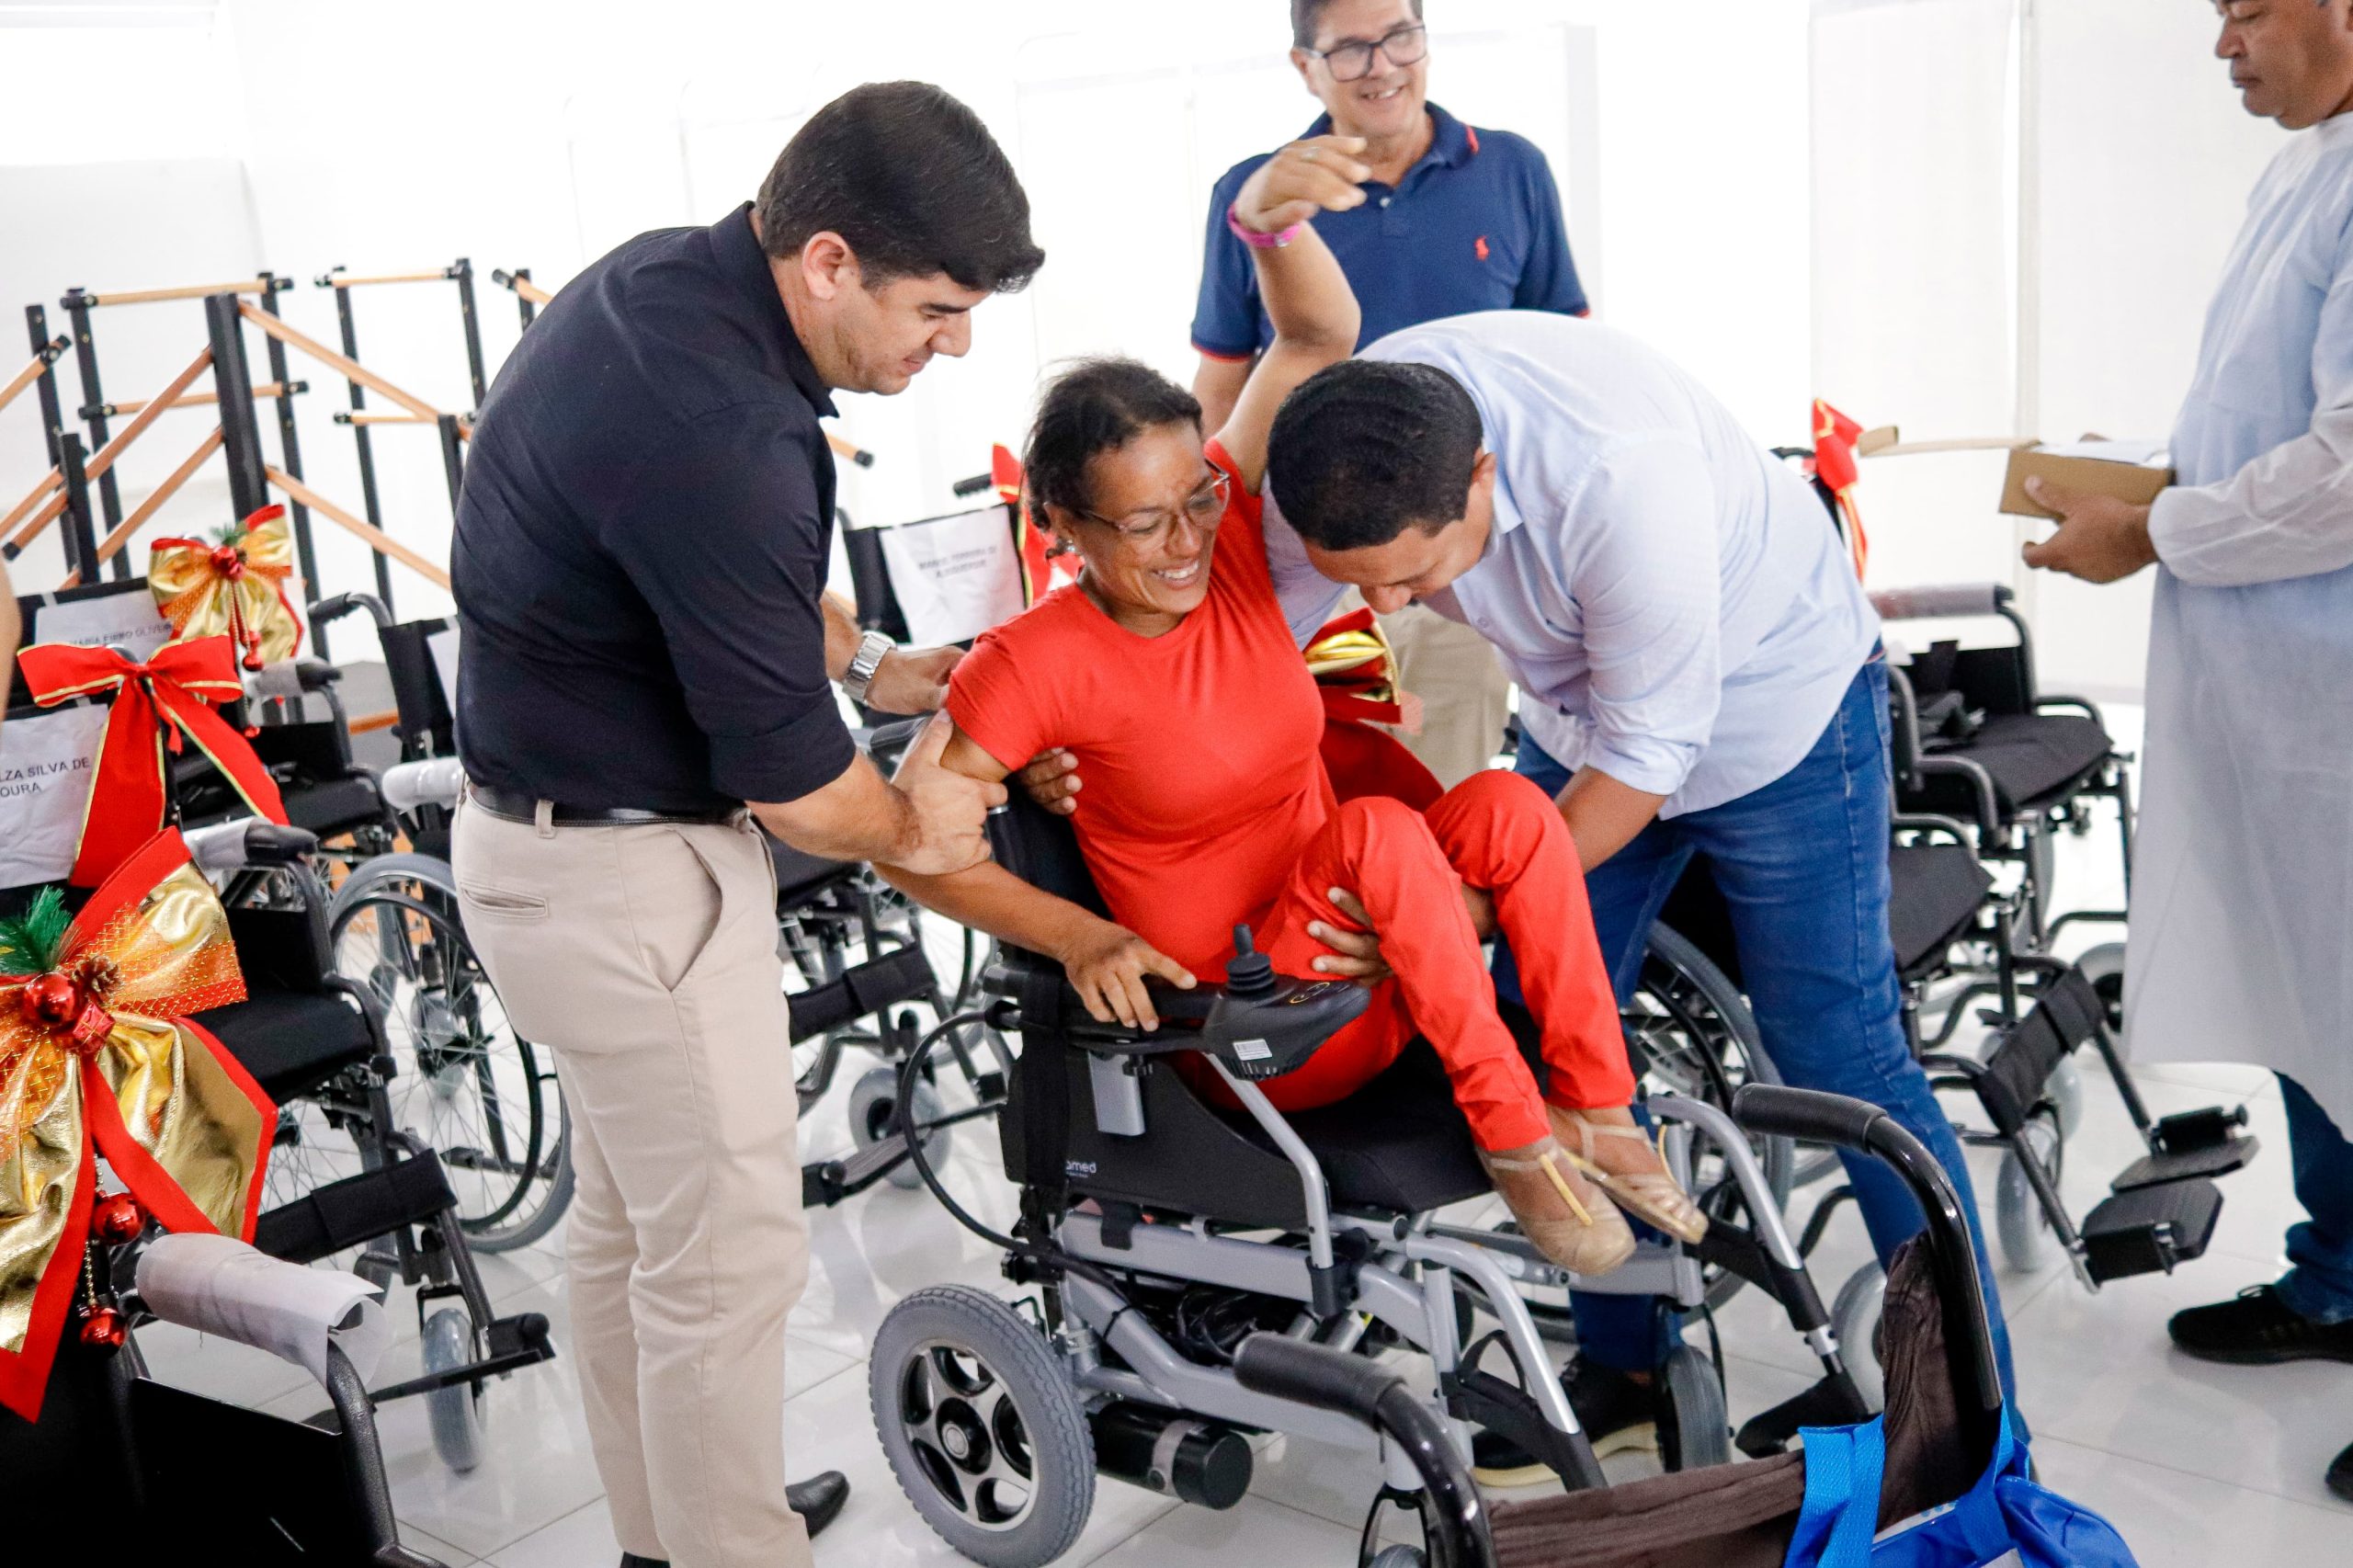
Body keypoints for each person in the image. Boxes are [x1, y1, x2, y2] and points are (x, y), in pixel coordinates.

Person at [881, 133, 1699, 1279]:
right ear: (1060, 524)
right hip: (1252, 1024)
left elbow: (1317, 338)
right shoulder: (1029, 662)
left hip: (1376, 957)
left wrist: (1267, 227)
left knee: (1511, 808)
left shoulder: (1237, 562)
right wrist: (1077, 936)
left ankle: (1598, 1110)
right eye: (1143, 522)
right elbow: (911, 845)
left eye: (1199, 496)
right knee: (1374, 830)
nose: (1188, 542)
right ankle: (1514, 1132)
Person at [1243, 311, 2015, 1456]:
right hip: (1574, 716)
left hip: (1779, 709)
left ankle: (1966, 1410)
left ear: (1482, 477)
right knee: (1560, 1030)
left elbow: (1651, 752)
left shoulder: (1617, 477)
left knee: (1837, 1048)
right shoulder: (1341, 456)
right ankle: (1623, 1364)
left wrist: (1463, 908)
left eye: (1414, 576)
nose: (1394, 608)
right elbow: (1252, 653)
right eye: (1370, 587)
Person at [448, 83, 1039, 1568]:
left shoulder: (669, 290)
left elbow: (702, 574)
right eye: (938, 306)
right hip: (628, 880)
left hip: (535, 859)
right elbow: (801, 791)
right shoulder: (725, 428)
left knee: (631, 1237)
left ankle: (678, 1529)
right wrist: (936, 808)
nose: (952, 342)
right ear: (830, 259)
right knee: (728, 1259)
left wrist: (867, 665)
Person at [2019, 0, 2353, 1505]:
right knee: (2306, 993)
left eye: (2246, 10)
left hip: (2329, 677)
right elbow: (2265, 412)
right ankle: (2339, 1273)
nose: (2223, 42)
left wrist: (2153, 525)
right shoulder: (2306, 163)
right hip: (2272, 679)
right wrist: (2157, 484)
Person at [1189, 0, 1591, 788]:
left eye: (1398, 37)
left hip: (1461, 545)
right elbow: (1221, 382)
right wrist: (1206, 540)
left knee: (1442, 788)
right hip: (1307, 543)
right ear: (1305, 66)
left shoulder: (1512, 169)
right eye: (1349, 50)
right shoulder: (1252, 196)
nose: (1380, 65)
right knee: (1298, 784)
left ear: (1426, 42)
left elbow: (1564, 365)